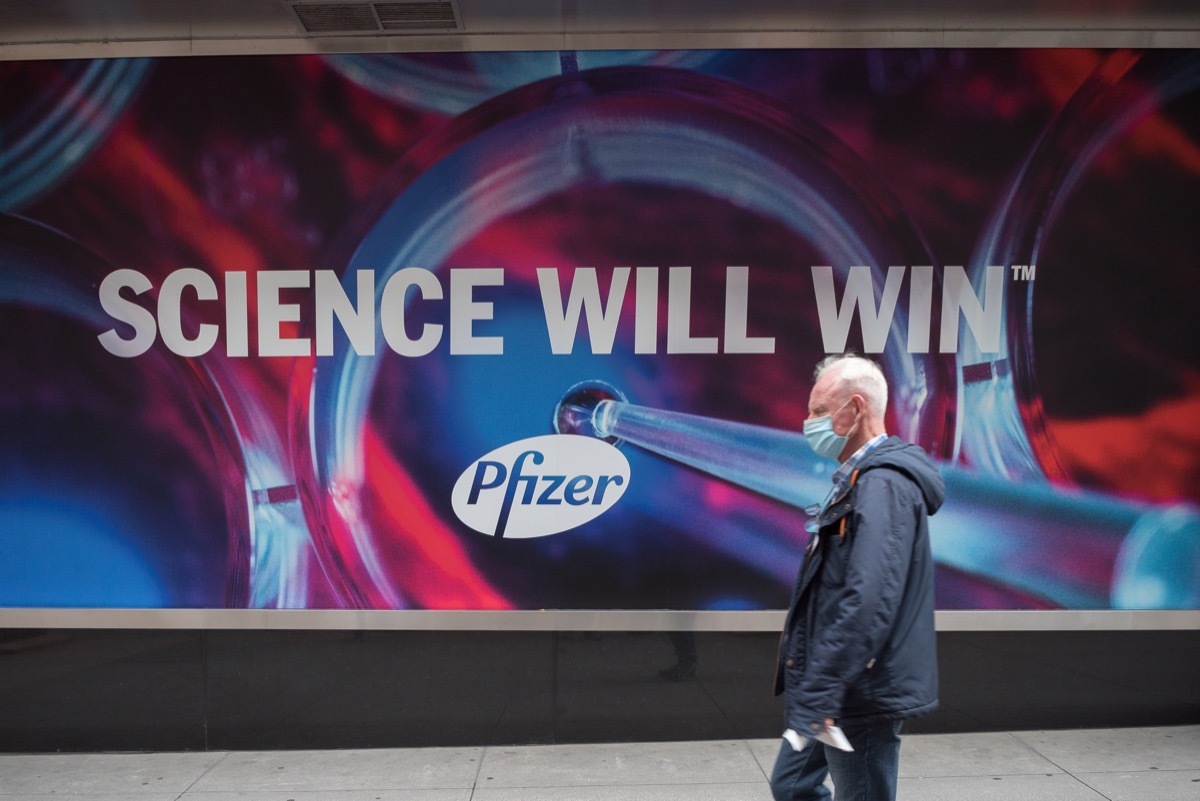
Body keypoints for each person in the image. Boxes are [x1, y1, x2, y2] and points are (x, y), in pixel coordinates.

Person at [770, 354, 945, 801]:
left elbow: (869, 596)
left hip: (857, 689)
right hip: (832, 685)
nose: (807, 421)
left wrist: (824, 691)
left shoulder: (883, 486)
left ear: (857, 407)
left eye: (819, 412)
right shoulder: (858, 480)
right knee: (792, 785)